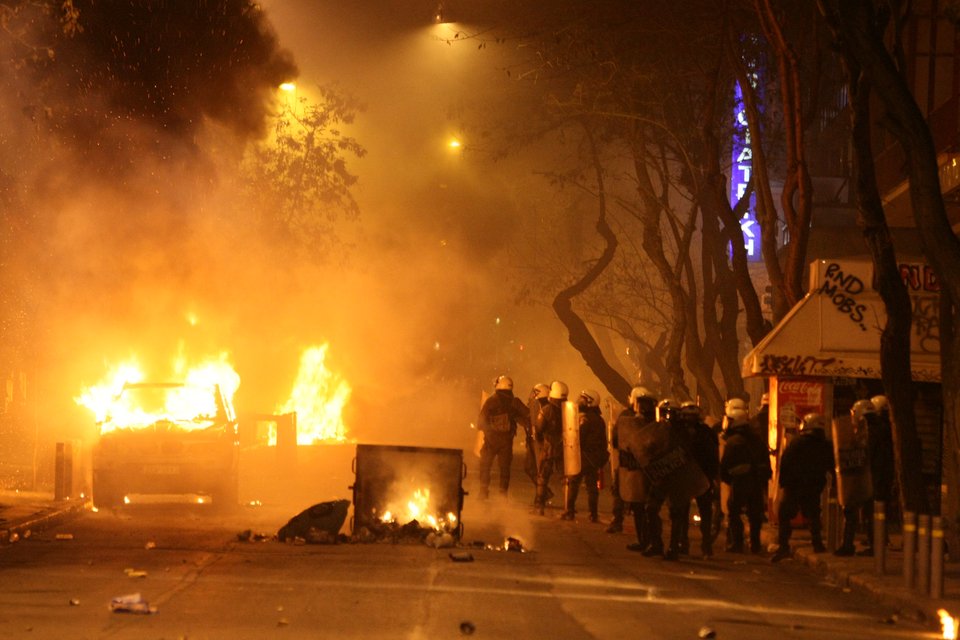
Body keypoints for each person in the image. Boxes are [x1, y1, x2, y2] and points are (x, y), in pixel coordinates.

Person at [772, 412, 835, 562]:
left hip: (794, 485)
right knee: (813, 514)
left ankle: (783, 546)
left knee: (785, 515)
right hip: (814, 485)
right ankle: (817, 543)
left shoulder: (797, 443)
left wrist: (783, 483)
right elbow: (831, 465)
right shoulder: (826, 445)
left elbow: (785, 462)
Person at [719, 399, 771, 554]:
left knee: (734, 512)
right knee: (754, 515)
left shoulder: (733, 441)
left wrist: (728, 479)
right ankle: (755, 544)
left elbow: (725, 465)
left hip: (740, 482)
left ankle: (737, 543)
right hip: (756, 483)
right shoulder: (757, 440)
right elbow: (766, 462)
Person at [610, 386, 656, 550]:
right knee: (647, 505)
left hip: (635, 466)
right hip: (649, 467)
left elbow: (616, 440)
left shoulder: (627, 417)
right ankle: (648, 540)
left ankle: (645, 540)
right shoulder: (656, 419)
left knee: (639, 504)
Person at [677, 400, 720, 558]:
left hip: (701, 477)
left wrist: (712, 476)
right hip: (689, 476)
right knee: (684, 512)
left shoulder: (705, 433)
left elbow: (713, 455)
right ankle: (688, 542)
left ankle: (704, 545)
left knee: (702, 512)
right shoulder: (678, 432)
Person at [476, 375, 530, 500]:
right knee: (505, 468)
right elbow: (527, 416)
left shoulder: (491, 401)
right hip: (507, 441)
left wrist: (488, 430)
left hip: (490, 441)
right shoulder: (515, 402)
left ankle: (483, 492)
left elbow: (480, 422)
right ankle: (503, 495)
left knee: (485, 465)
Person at [834, 399, 875, 556]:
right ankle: (871, 544)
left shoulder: (867, 432)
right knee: (868, 513)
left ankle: (848, 544)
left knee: (854, 511)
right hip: (870, 477)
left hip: (864, 477)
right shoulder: (875, 429)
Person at [560, 389, 609, 522]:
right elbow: (603, 442)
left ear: (589, 402)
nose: (579, 400)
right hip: (594, 459)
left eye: (582, 398)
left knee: (573, 483)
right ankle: (593, 515)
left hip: (583, 457)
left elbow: (578, 437)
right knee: (592, 487)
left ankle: (570, 512)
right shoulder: (599, 419)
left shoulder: (585, 419)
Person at [861, 395, 895, 555]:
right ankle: (878, 540)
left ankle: (875, 543)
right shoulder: (888, 428)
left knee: (874, 510)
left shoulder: (877, 430)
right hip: (884, 475)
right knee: (879, 510)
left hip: (877, 476)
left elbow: (871, 454)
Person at [534, 380, 567, 515]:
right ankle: (568, 507)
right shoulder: (569, 409)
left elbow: (539, 429)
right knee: (565, 478)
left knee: (543, 477)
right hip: (564, 448)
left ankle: (540, 506)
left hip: (548, 448)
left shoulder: (546, 410)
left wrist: (541, 442)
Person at [526, 383, 551, 493]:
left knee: (539, 469)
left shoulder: (543, 406)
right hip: (533, 440)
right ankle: (544, 494)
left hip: (540, 442)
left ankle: (541, 497)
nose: (533, 394)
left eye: (535, 392)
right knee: (530, 467)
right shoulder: (535, 404)